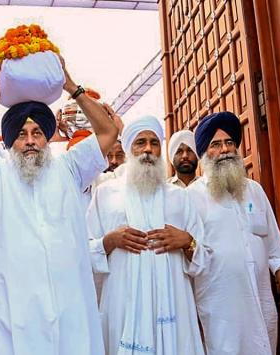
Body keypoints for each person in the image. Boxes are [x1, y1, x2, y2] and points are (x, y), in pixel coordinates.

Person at [0, 57, 119, 355]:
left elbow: (108, 132)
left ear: (47, 138)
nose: (30, 141)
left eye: (37, 133)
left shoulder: (70, 167)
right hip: (14, 313)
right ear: (11, 140)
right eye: (22, 134)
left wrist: (70, 86)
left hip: (67, 306)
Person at [87, 116, 207, 355]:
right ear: (129, 149)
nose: (148, 149)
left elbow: (204, 256)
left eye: (154, 143)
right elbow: (83, 252)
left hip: (175, 302)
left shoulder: (179, 197)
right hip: (123, 301)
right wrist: (108, 242)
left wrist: (187, 242)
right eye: (140, 142)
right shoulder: (104, 194)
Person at [187, 111, 280, 355]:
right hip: (221, 310)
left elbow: (275, 249)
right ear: (204, 153)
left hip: (262, 303)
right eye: (216, 144)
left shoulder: (255, 191)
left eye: (229, 143)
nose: (225, 149)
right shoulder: (192, 197)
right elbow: (189, 257)